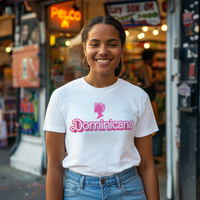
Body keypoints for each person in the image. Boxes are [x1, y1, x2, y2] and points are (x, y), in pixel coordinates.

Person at [43, 15, 160, 200]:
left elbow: (147, 165)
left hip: (129, 189)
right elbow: (55, 166)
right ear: (84, 48)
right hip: (79, 191)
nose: (103, 51)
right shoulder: (62, 96)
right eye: (95, 44)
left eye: (112, 44)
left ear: (121, 49)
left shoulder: (138, 97)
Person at [138, 49, 161, 123]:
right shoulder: (146, 67)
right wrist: (157, 77)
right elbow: (149, 83)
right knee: (153, 121)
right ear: (150, 57)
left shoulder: (144, 66)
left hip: (147, 96)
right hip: (149, 96)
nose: (155, 59)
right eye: (154, 56)